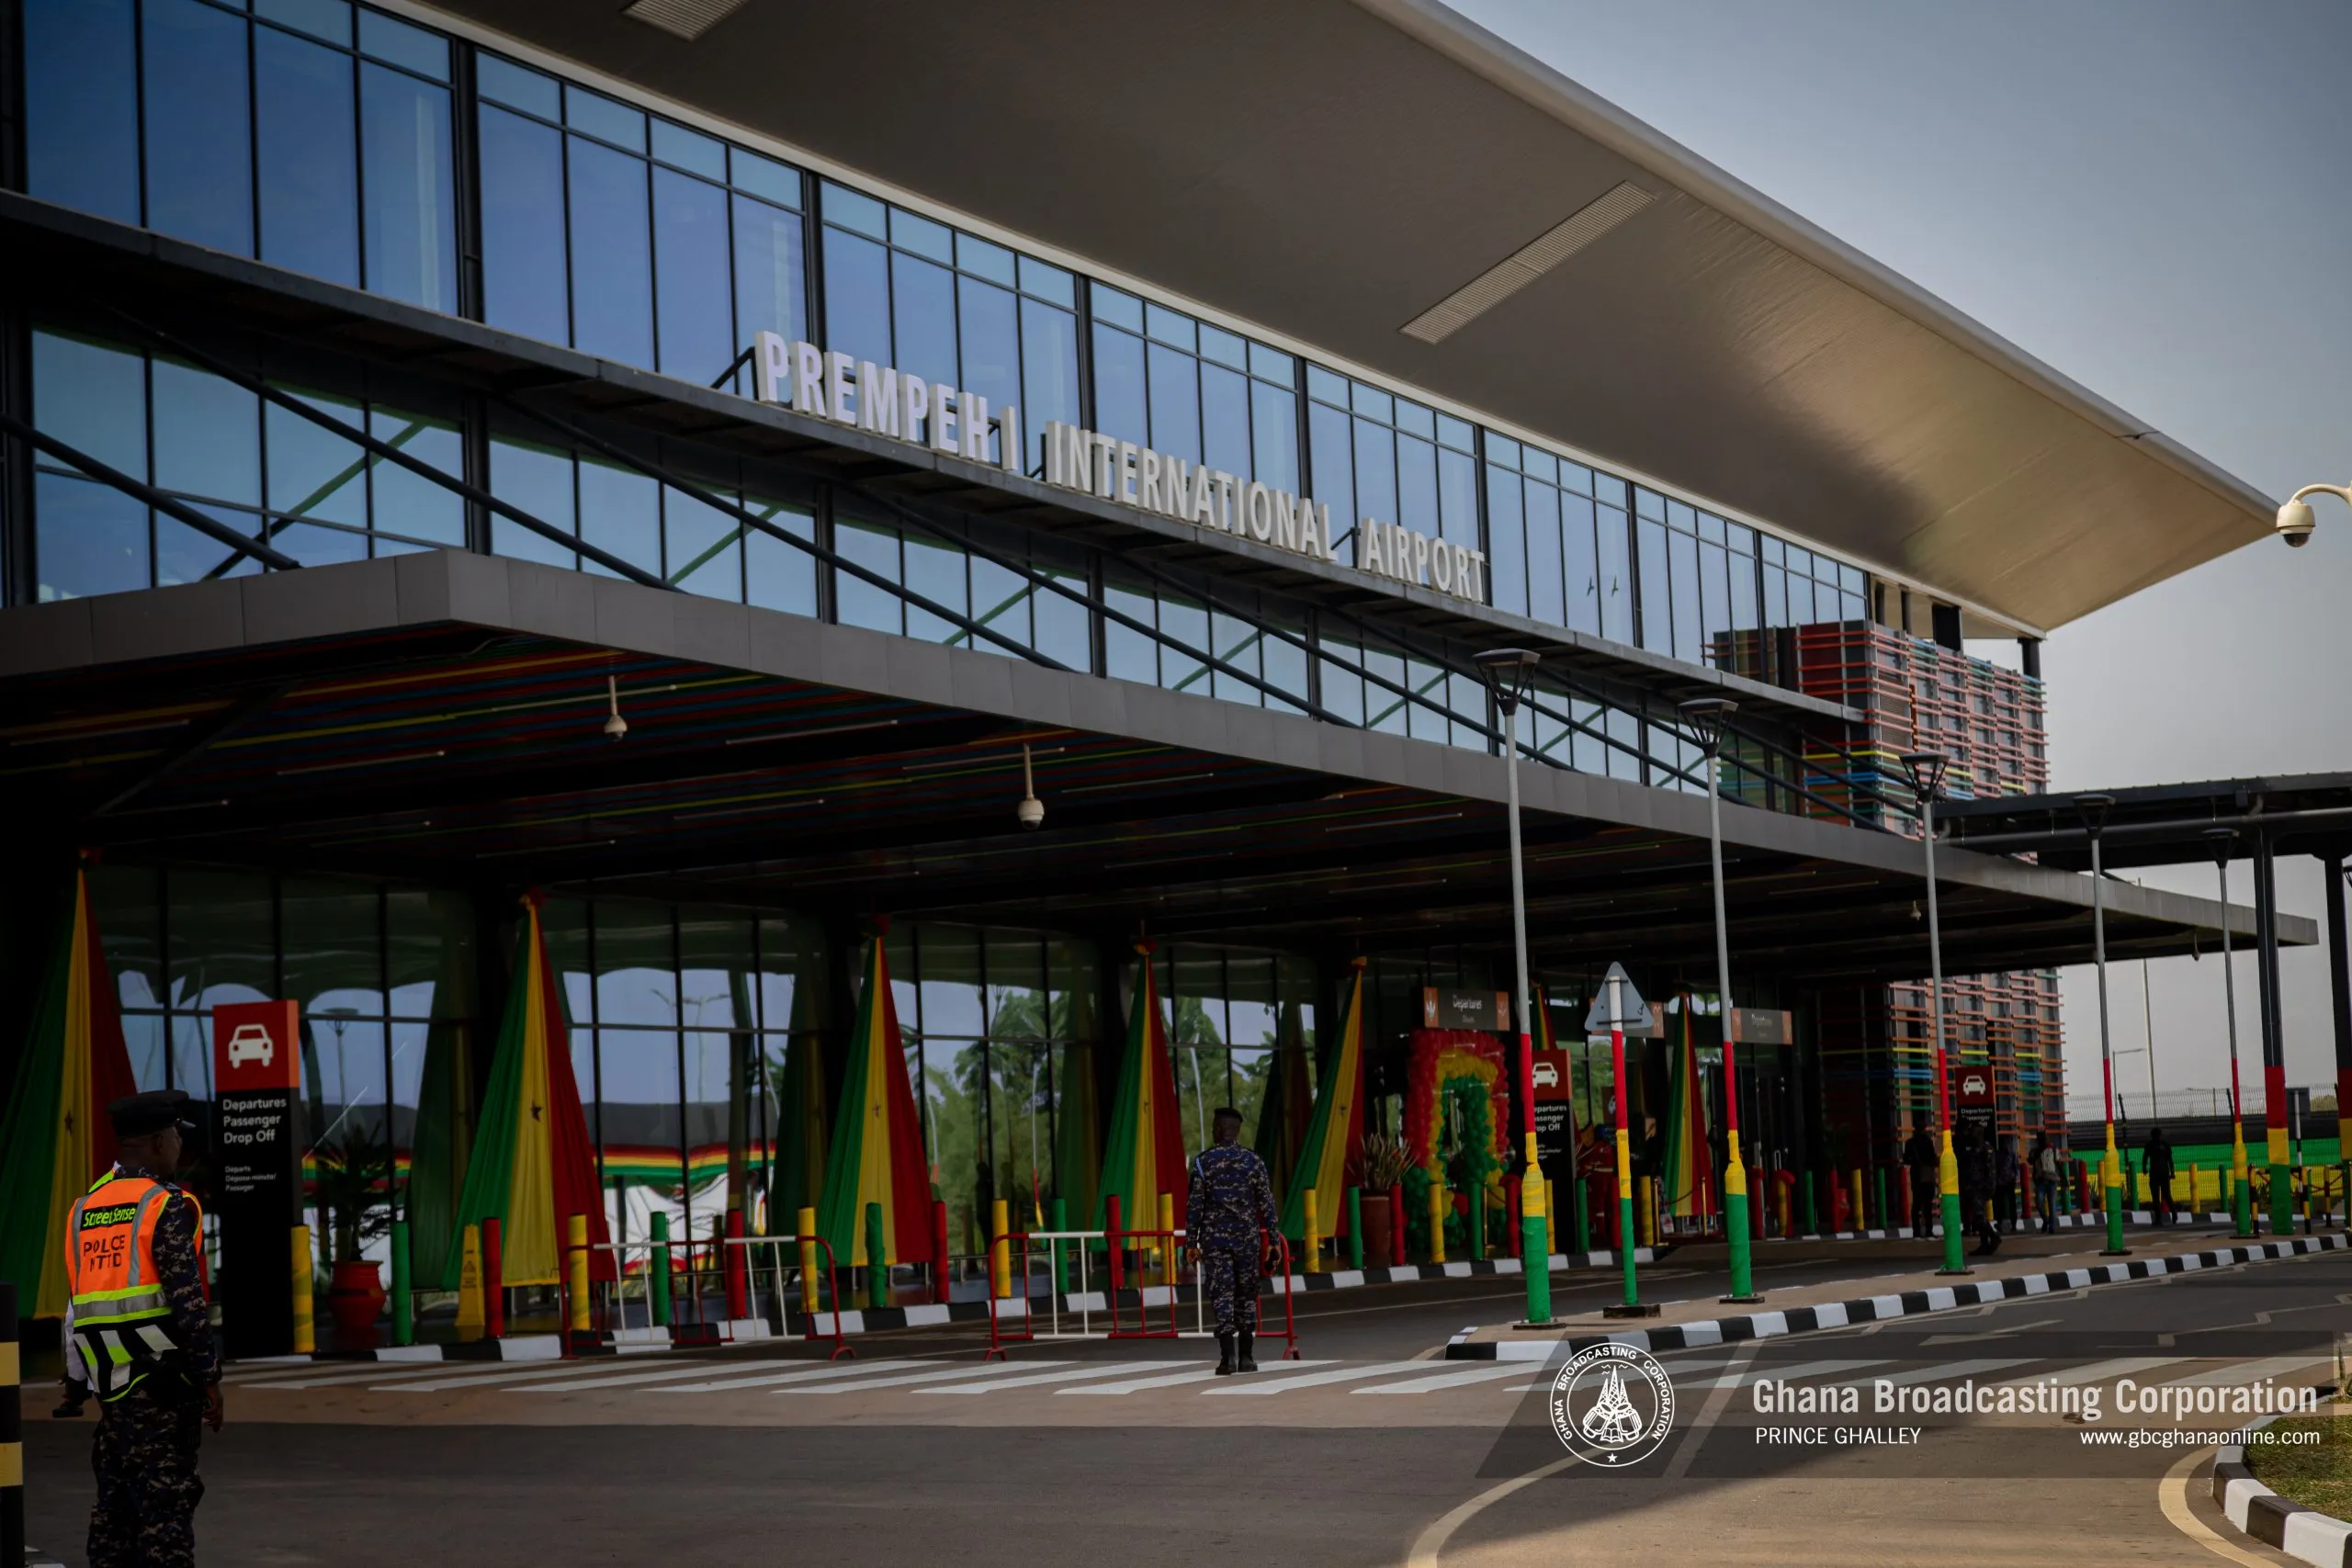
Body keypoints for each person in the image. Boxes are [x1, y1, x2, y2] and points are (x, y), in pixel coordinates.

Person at [66, 1089, 222, 1568]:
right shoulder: (166, 1204)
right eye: (177, 1135)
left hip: (109, 1389)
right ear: (159, 1141)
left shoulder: (84, 1209)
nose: (181, 1145)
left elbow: (75, 1310)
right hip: (160, 1385)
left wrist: (75, 1383)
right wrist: (209, 1379)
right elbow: (187, 1302)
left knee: (113, 1512)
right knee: (164, 1515)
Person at [1184, 1106, 1280, 1375]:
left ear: (1217, 1129)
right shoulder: (1254, 1161)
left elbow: (1194, 1207)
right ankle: (1248, 1357)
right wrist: (1273, 1239)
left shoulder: (1204, 1162)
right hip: (1247, 1241)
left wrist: (1191, 1242)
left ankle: (1228, 1359)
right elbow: (1266, 1204)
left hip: (1215, 1242)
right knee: (1247, 1295)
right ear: (1237, 1131)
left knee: (1222, 1296)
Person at [1903, 1123, 1939, 1239]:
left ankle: (1916, 1232)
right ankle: (1929, 1230)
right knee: (1927, 1205)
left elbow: (1906, 1160)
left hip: (1916, 1176)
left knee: (1916, 1204)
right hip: (1927, 1177)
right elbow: (1933, 1159)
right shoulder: (1928, 1142)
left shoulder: (1910, 1143)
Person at [2146, 1128, 2176, 1225]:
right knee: (2166, 1194)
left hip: (2154, 1173)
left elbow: (2144, 1157)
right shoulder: (2165, 1145)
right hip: (2164, 1172)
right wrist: (2172, 1172)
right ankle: (2174, 1213)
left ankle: (2158, 1219)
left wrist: (2144, 1169)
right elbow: (2170, 1160)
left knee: (2155, 1197)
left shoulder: (2150, 1145)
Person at [2032, 1133, 2060, 1235]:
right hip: (2040, 1180)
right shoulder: (2037, 1152)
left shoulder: (2053, 1150)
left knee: (2052, 1205)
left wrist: (2064, 1179)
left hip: (2052, 1180)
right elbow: (2032, 1162)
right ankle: (2046, 1220)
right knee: (2039, 1204)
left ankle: (2051, 1227)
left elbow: (2058, 1164)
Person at [1996, 1136, 2021, 1235]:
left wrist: (2014, 1178)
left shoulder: (2011, 1155)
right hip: (2003, 1182)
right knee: (2003, 1204)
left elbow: (2016, 1168)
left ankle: (2012, 1224)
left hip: (2007, 1182)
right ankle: (2002, 1223)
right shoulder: (2001, 1155)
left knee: (2009, 1204)